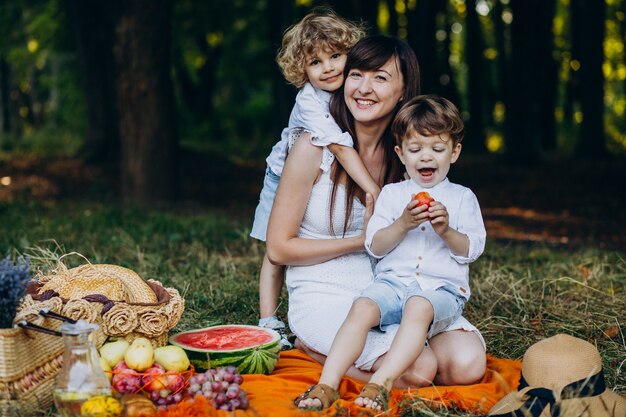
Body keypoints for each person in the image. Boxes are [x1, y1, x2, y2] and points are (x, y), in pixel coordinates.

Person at [266, 34, 486, 411]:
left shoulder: (407, 155)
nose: (363, 88)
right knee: (420, 371)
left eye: (380, 78)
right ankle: (320, 355)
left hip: (395, 285)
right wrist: (358, 241)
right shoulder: (312, 147)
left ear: (403, 91)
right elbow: (278, 249)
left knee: (466, 365)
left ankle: (378, 349)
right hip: (327, 288)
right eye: (356, 74)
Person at [250, 10, 380, 341]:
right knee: (274, 249)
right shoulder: (309, 100)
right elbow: (337, 146)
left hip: (327, 168)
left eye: (335, 56)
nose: (329, 68)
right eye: (316, 63)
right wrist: (372, 188)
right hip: (284, 172)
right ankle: (268, 320)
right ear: (302, 70)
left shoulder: (352, 88)